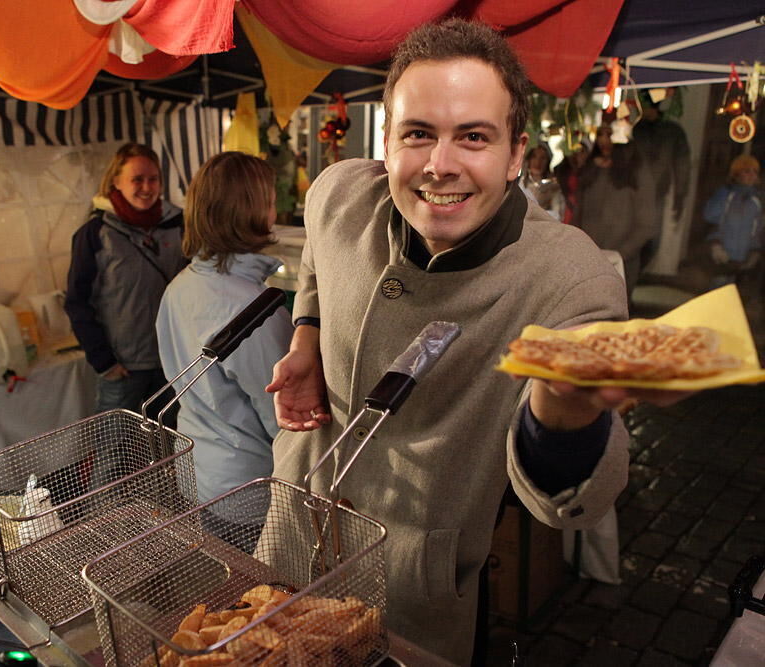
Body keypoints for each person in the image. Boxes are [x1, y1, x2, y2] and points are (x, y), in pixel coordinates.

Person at [264, 19, 690, 665]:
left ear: (516, 153)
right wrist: (306, 337)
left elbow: (580, 498)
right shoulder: (338, 193)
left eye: (473, 137)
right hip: (291, 535)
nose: (440, 164)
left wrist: (564, 412)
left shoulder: (569, 274)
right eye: (418, 134)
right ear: (387, 140)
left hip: (409, 587)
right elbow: (318, 270)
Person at [156, 152, 293, 551]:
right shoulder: (256, 308)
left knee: (229, 588)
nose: (274, 209)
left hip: (196, 471)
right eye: (268, 200)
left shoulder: (178, 287)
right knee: (263, 600)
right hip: (247, 488)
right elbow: (283, 419)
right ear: (249, 212)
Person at [65, 143, 187, 422]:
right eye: (137, 179)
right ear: (116, 181)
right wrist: (104, 362)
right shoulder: (96, 233)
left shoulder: (178, 225)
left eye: (153, 179)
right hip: (124, 368)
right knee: (114, 456)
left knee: (168, 448)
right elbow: (76, 302)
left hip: (171, 363)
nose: (147, 187)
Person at [572, 124, 657, 298]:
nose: (604, 140)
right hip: (588, 260)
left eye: (609, 135)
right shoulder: (590, 168)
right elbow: (577, 215)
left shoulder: (637, 171)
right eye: (600, 134)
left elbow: (646, 224)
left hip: (622, 263)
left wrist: (620, 255)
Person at [633, 92, 691, 268]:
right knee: (631, 240)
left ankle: (634, 280)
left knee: (650, 240)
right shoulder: (634, 129)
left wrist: (680, 195)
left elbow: (682, 164)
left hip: (655, 193)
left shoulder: (672, 132)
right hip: (631, 193)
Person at [703, 155, 763, 288]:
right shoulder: (725, 195)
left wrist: (754, 251)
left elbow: (756, 229)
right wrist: (715, 245)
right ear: (736, 175)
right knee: (716, 289)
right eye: (747, 171)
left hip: (741, 258)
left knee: (732, 291)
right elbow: (711, 219)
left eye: (755, 172)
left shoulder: (756, 201)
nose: (751, 176)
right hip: (721, 255)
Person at [519, 143, 565, 222]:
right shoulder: (519, 184)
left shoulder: (553, 187)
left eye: (543, 158)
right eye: (534, 156)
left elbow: (557, 216)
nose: (538, 162)